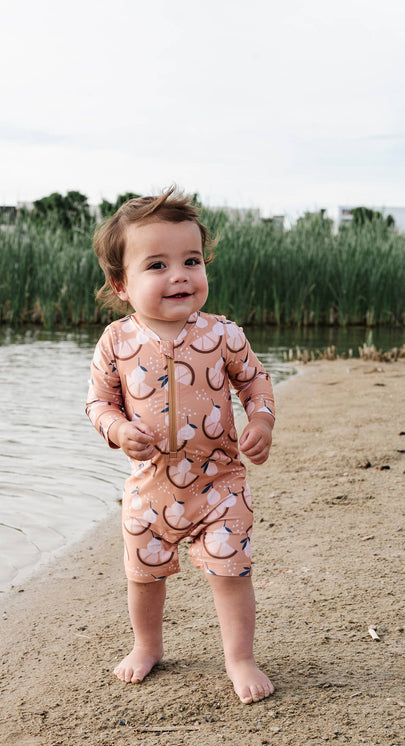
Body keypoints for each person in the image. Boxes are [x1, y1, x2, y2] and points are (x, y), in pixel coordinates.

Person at [86, 188, 275, 704]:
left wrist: (260, 420)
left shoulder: (222, 335)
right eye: (157, 265)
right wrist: (119, 430)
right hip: (149, 490)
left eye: (191, 260)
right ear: (121, 285)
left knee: (231, 570)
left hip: (220, 483)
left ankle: (239, 657)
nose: (179, 275)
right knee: (143, 576)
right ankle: (146, 645)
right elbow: (98, 404)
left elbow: (256, 382)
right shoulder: (116, 342)